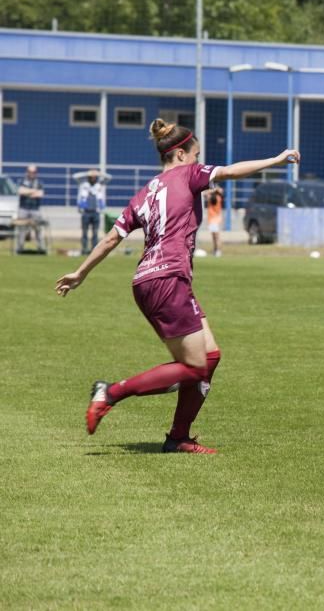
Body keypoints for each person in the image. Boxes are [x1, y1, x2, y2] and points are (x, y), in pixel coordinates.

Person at [55, 117, 300, 454]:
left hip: (150, 280)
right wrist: (275, 160)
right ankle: (110, 393)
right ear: (182, 154)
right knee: (194, 367)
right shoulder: (189, 174)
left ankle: (178, 437)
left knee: (209, 357)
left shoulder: (145, 192)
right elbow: (229, 171)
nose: (200, 161)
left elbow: (113, 238)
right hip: (167, 280)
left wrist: (80, 272)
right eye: (197, 154)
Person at [16, 164, 46, 254]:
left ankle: (41, 248)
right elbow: (20, 191)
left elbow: (40, 194)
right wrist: (33, 191)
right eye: (30, 172)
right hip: (23, 208)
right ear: (27, 172)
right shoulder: (22, 181)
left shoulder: (39, 183)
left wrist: (27, 191)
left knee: (38, 229)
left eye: (34, 172)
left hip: (35, 209)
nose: (32, 173)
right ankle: (20, 249)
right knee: (22, 229)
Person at [77, 169, 106, 254]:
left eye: (94, 177)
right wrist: (87, 173)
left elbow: (109, 178)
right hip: (85, 212)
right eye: (91, 177)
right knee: (84, 232)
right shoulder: (83, 184)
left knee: (95, 232)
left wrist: (99, 173)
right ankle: (84, 249)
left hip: (95, 212)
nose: (93, 178)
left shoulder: (99, 185)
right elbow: (75, 177)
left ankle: (94, 250)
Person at [204, 185, 224, 257]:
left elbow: (205, 194)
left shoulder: (216, 198)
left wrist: (214, 190)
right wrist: (214, 190)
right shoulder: (215, 197)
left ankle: (218, 251)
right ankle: (215, 250)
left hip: (215, 219)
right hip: (213, 219)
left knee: (216, 236)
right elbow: (205, 194)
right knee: (214, 237)